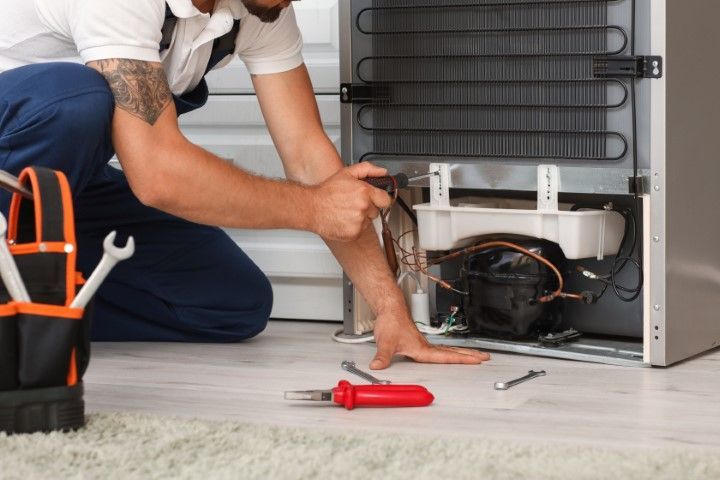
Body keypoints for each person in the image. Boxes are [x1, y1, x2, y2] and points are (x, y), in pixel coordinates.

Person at [0, 0, 490, 369]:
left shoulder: (260, 11)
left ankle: (33, 318)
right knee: (75, 101)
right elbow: (157, 175)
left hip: (54, 187)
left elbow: (309, 159)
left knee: (229, 303)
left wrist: (391, 310)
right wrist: (313, 209)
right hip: (14, 167)